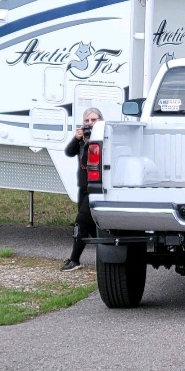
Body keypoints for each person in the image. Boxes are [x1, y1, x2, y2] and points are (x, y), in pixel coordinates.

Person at [60, 107, 102, 271]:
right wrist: (77, 139)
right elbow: (69, 152)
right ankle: (106, 258)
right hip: (83, 187)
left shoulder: (102, 139)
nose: (90, 124)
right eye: (87, 121)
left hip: (95, 187)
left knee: (81, 222)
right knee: (91, 227)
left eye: (94, 120)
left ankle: (74, 260)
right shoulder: (82, 141)